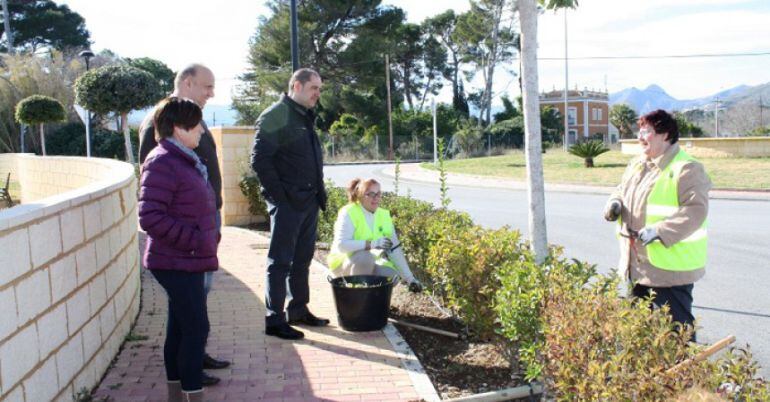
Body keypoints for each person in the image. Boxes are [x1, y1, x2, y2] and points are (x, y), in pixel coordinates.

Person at [138, 64, 229, 383]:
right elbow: (152, 204)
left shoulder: (191, 119)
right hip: (181, 247)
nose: (211, 93)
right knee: (192, 316)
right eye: (207, 86)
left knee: (188, 313)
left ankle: (188, 364)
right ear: (187, 83)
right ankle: (189, 373)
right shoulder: (161, 131)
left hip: (196, 235)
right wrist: (192, 238)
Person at [603, 109, 711, 338]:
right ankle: (647, 375)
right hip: (637, 265)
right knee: (637, 332)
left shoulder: (687, 168)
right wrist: (614, 202)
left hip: (669, 269)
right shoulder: (637, 165)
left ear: (665, 135)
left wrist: (660, 231)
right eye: (640, 131)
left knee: (676, 333)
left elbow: (695, 210)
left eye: (647, 131)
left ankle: (682, 373)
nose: (640, 136)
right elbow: (622, 190)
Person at [250, 68, 329, 340]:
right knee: (280, 261)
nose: (318, 94)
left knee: (302, 260)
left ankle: (298, 309)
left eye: (319, 88)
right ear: (296, 86)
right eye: (313, 88)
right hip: (288, 204)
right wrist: (280, 198)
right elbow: (260, 160)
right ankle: (274, 318)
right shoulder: (276, 115)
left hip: (309, 201)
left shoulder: (304, 115)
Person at [327, 178, 423, 292]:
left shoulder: (383, 216)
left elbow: (395, 250)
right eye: (371, 194)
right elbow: (341, 245)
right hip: (342, 265)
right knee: (366, 258)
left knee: (391, 275)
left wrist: (410, 279)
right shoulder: (348, 212)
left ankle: (371, 300)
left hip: (367, 263)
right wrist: (372, 244)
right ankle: (355, 298)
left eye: (378, 194)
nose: (376, 198)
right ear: (361, 195)